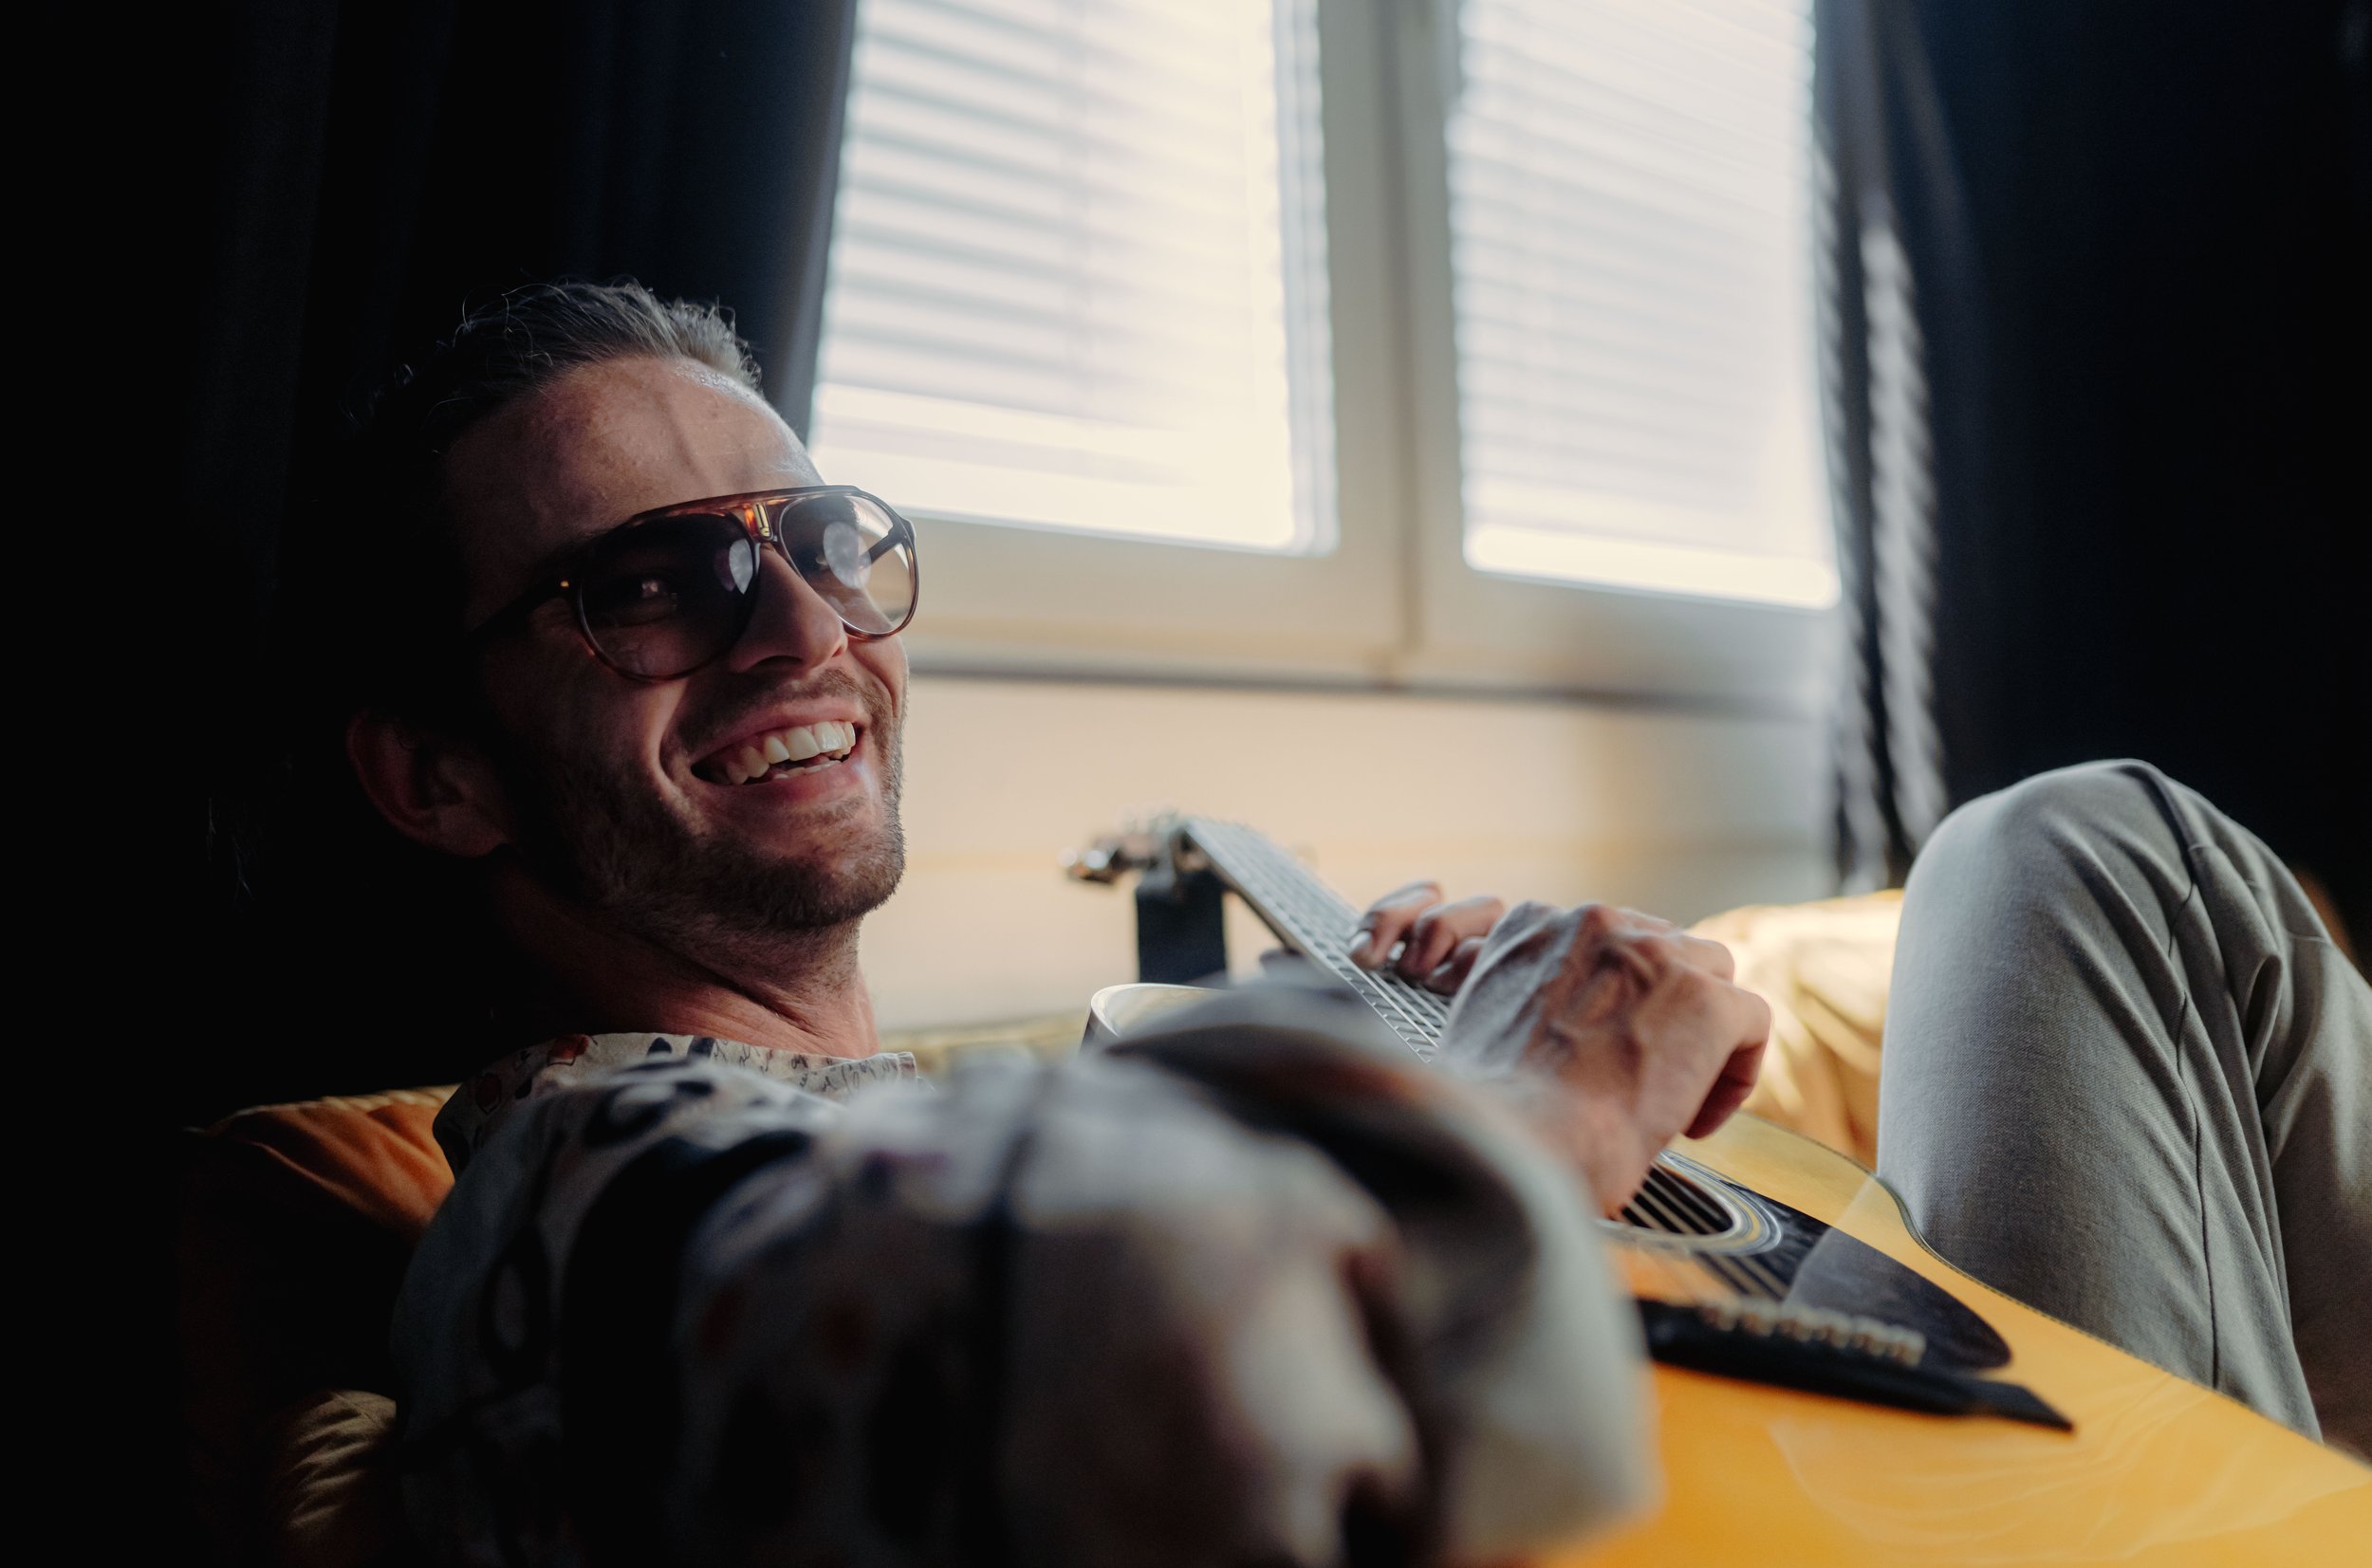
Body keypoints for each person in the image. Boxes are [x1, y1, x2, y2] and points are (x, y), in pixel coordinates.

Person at [331, 282, 2367, 1566]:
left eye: (819, 542)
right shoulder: (580, 1172)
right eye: (648, 584)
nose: (800, 626)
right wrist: (1542, 1098)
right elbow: (1173, 1365)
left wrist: (1477, 1061)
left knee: (2077, 842)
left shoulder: (936, 1112)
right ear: (440, 772)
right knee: (2090, 842)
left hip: (1919, 1476)